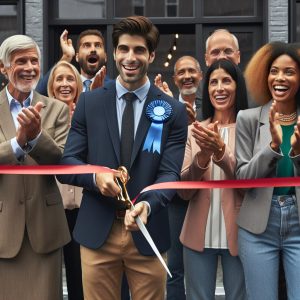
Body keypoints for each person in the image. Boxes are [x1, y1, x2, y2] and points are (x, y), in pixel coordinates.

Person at [57, 15, 187, 300]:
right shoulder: (89, 102)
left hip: (147, 230)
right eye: (124, 49)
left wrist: (149, 206)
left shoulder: (172, 111)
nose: (131, 57)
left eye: (139, 50)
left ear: (151, 54)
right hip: (97, 231)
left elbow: (170, 174)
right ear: (114, 53)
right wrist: (95, 177)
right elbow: (67, 164)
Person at [0, 34, 70, 300]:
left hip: (45, 229)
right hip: (3, 227)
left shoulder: (56, 109)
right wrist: (18, 143)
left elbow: (62, 162)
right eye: (21, 61)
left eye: (34, 60)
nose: (29, 67)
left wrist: (38, 137)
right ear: (3, 68)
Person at [235, 41, 300, 300]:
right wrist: (273, 147)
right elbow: (242, 180)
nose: (280, 78)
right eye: (274, 71)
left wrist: (296, 153)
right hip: (258, 226)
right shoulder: (248, 119)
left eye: (289, 72)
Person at [179, 59, 248, 300]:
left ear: (237, 86)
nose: (219, 88)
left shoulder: (249, 127)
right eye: (213, 82)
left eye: (226, 81)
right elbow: (184, 191)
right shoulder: (194, 130)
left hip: (242, 233)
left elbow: (249, 184)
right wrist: (202, 157)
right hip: (197, 233)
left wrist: (220, 151)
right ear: (206, 89)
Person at [155, 55, 203, 300]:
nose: (187, 76)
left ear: (200, 75)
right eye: (181, 72)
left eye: (191, 71)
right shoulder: (165, 107)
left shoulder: (214, 104)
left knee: (202, 263)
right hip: (175, 198)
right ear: (175, 79)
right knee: (174, 267)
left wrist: (197, 126)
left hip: (207, 196)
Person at [47, 60, 84, 300]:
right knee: (48, 278)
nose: (64, 84)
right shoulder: (40, 115)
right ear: (50, 86)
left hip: (82, 209)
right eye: (59, 79)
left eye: (70, 79)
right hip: (50, 208)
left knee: (79, 278)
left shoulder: (87, 115)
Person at [36, 28, 110, 96]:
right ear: (77, 57)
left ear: (105, 57)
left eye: (97, 45)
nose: (93, 49)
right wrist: (66, 57)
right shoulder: (67, 86)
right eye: (87, 45)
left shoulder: (114, 88)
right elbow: (38, 94)